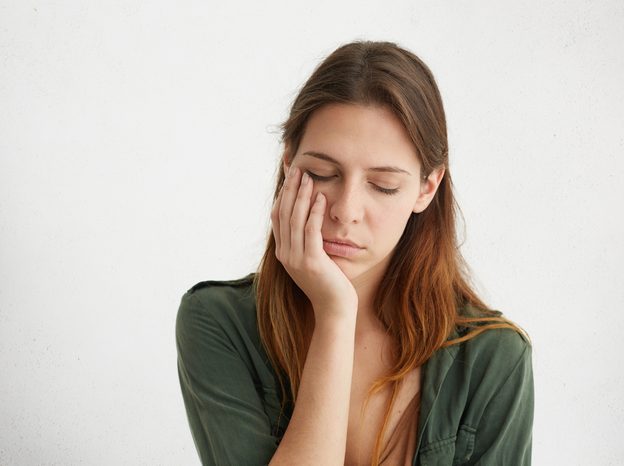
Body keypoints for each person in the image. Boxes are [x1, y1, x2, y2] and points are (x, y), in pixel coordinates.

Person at [175, 40, 534, 466]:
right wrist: (335, 314)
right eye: (322, 174)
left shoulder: (494, 358)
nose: (345, 212)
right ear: (288, 165)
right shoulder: (218, 323)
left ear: (427, 188)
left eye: (383, 185)